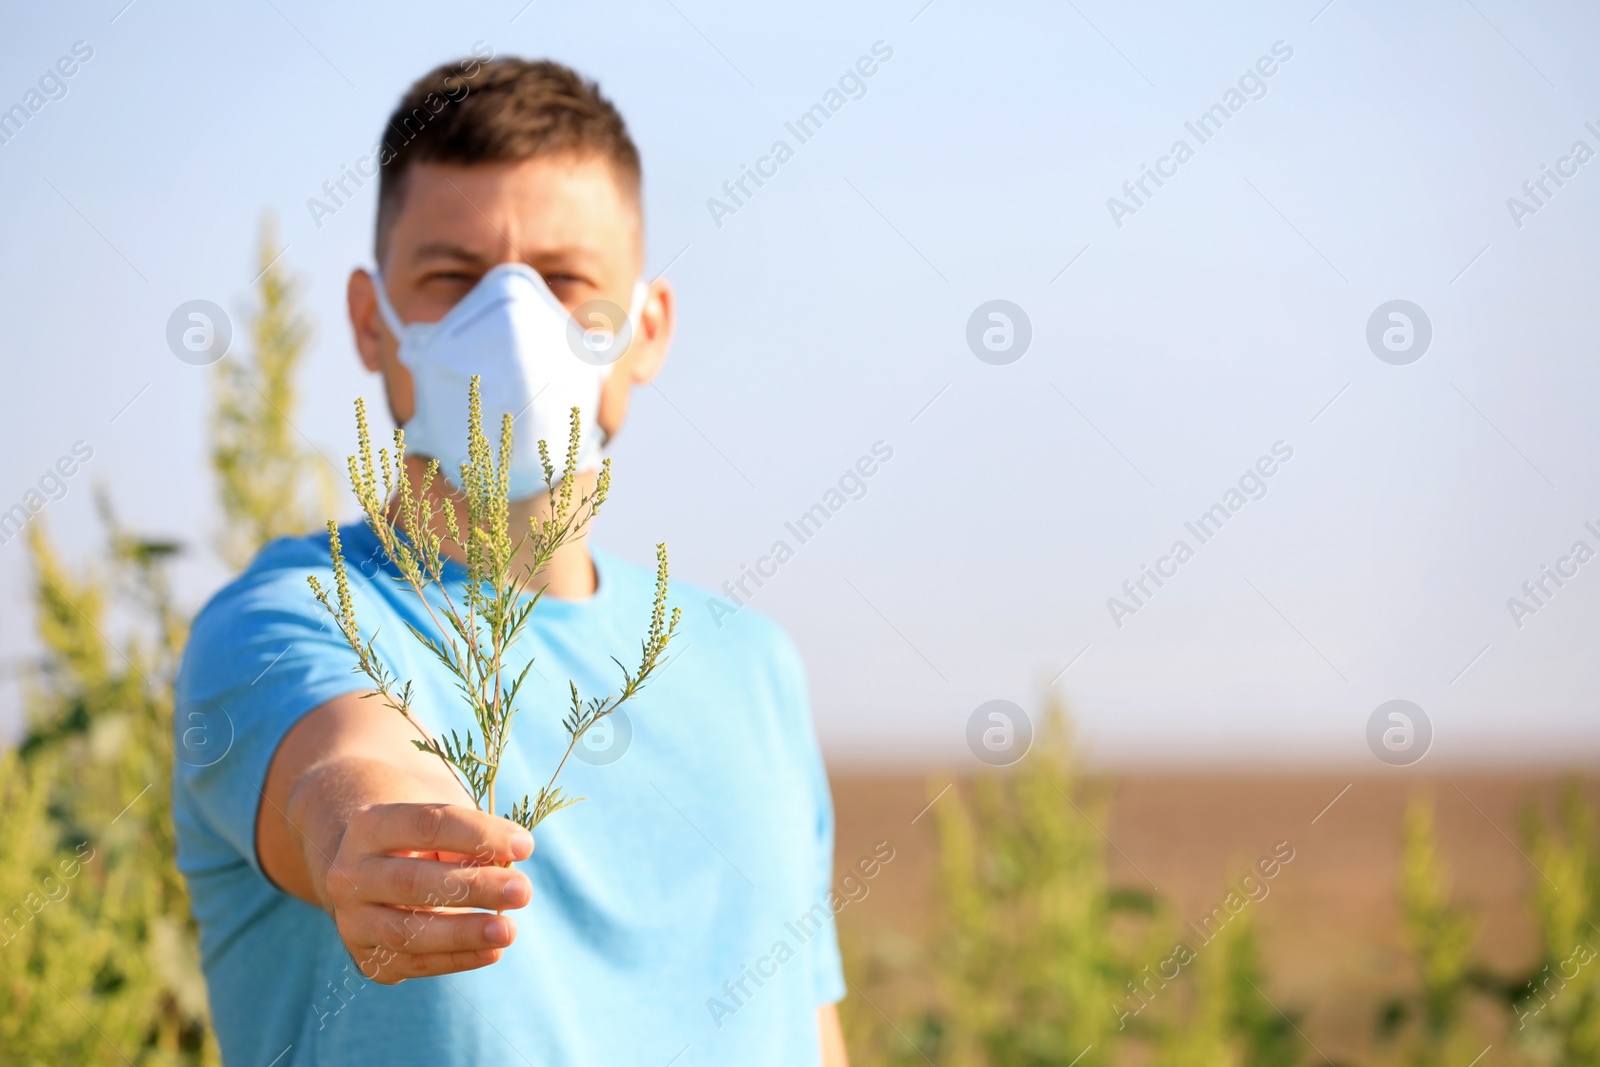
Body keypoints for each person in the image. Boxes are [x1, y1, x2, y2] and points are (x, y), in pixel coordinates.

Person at [174, 55, 849, 1067]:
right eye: (452, 279)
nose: (513, 325)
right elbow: (343, 770)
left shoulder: (753, 665)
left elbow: (810, 1031)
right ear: (371, 321)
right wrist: (365, 842)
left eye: (565, 280)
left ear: (646, 328)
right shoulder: (288, 620)